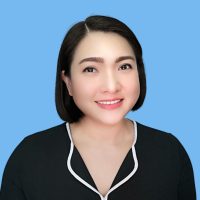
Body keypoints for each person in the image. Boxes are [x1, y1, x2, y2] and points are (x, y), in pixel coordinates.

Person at [0, 15, 196, 200]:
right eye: (90, 69)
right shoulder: (29, 156)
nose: (111, 86)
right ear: (67, 81)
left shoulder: (170, 153)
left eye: (124, 66)